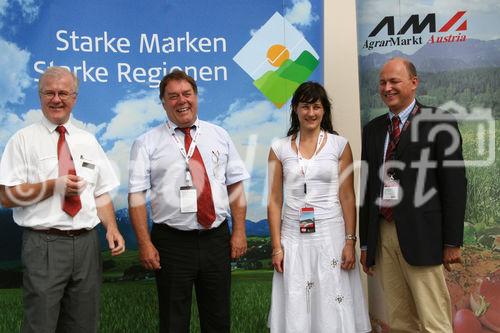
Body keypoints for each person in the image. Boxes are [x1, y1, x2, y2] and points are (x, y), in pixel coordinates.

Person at [0, 67, 125, 333]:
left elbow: (100, 192)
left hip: (87, 245)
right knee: (40, 326)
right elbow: (7, 197)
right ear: (40, 96)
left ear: (75, 97)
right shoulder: (22, 141)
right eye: (50, 93)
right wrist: (53, 186)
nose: (56, 99)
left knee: (84, 325)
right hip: (43, 244)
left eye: (63, 93)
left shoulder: (88, 140)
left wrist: (112, 228)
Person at [128, 70, 250, 333]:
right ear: (163, 102)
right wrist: (144, 244)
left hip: (215, 239)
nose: (181, 100)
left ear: (196, 96)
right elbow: (136, 196)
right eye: (172, 96)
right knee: (173, 322)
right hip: (171, 243)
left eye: (187, 93)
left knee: (218, 319)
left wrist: (239, 231)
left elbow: (236, 185)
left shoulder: (219, 135)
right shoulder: (146, 143)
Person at [359, 57, 467, 332]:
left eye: (394, 81)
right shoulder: (372, 130)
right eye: (382, 82)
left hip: (423, 235)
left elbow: (454, 184)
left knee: (434, 320)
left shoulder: (438, 122)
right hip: (384, 234)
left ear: (414, 83)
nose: (387, 88)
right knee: (399, 319)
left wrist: (452, 241)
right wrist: (365, 245)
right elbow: (368, 187)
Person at [267, 82, 371, 333]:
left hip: (331, 237)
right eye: (305, 107)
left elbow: (347, 196)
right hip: (292, 238)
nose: (311, 113)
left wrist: (349, 241)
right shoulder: (278, 148)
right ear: (295, 109)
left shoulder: (339, 145)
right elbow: (274, 201)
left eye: (316, 107)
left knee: (331, 301)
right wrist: (276, 247)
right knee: (297, 303)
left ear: (324, 110)